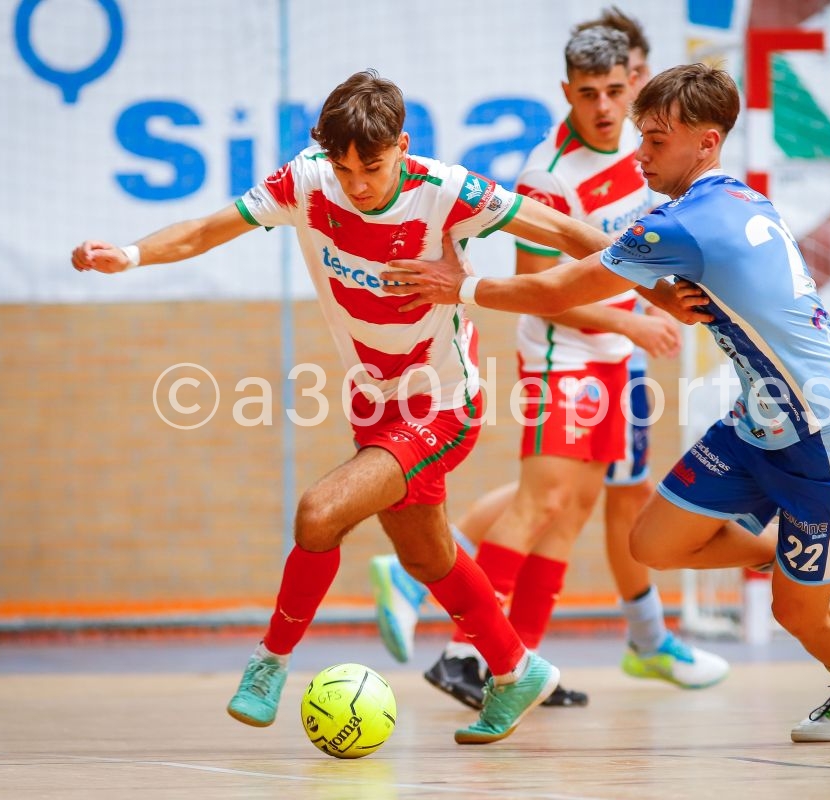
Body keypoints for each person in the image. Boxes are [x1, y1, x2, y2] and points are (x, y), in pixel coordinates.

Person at [69, 69, 627, 746]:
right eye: (344, 167)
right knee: (427, 558)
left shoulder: (443, 190)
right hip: (372, 402)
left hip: (444, 403)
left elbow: (563, 232)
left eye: (373, 165)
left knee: (319, 510)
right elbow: (204, 232)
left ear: (402, 145)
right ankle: (515, 669)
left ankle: (268, 664)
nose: (357, 183)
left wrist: (659, 267)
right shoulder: (305, 182)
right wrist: (126, 255)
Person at [380, 62, 830, 743]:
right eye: (641, 137)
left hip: (828, 433)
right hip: (760, 421)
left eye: (657, 141)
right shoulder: (737, 201)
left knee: (796, 613)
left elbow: (555, 289)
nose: (640, 154)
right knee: (652, 541)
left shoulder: (681, 224)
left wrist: (460, 286)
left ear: (707, 143)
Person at [370, 18, 730, 711]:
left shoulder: (644, 146)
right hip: (563, 359)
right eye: (588, 92)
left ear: (635, 84)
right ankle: (464, 654)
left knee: (571, 514)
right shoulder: (548, 174)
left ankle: (520, 665)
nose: (603, 106)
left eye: (616, 90)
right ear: (566, 90)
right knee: (542, 502)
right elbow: (543, 294)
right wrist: (630, 318)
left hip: (616, 358)